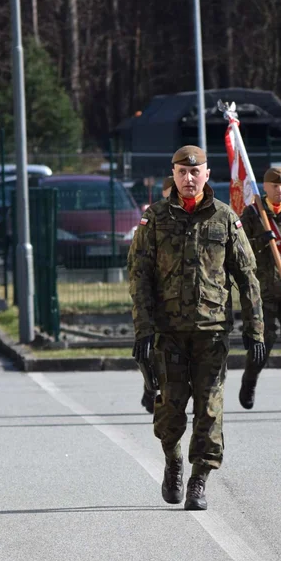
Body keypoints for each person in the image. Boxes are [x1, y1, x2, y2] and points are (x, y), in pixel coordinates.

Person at [131, 146, 264, 511]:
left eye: (195, 172)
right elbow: (139, 277)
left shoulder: (225, 218)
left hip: (212, 331)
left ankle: (199, 479)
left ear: (207, 174)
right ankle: (173, 460)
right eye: (181, 172)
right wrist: (143, 330)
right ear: (173, 175)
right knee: (170, 410)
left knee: (209, 409)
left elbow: (247, 277)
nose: (189, 179)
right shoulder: (155, 218)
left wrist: (256, 331)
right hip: (168, 332)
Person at [237, 167, 281, 412]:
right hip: (263, 290)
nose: (280, 190)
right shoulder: (254, 214)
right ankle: (250, 381)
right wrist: (261, 241)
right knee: (263, 343)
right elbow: (239, 248)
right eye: (275, 186)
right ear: (265, 188)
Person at [129, 175, 174, 413]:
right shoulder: (155, 218)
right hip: (156, 299)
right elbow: (138, 263)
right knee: (153, 351)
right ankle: (150, 388)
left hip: (180, 303)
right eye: (168, 191)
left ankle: (157, 392)